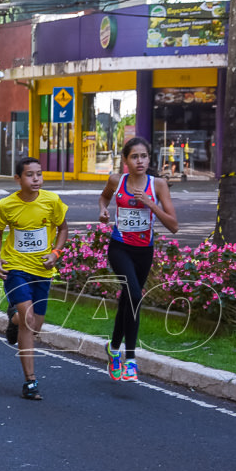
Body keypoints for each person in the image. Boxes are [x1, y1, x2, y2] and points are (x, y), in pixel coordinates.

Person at [97, 137, 179, 382]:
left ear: (149, 159)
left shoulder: (158, 185)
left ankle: (113, 349)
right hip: (119, 247)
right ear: (125, 160)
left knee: (128, 300)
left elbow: (173, 225)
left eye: (143, 156)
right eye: (134, 156)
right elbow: (104, 198)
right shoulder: (117, 180)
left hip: (144, 250)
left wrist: (149, 203)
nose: (140, 161)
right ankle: (130, 359)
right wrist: (103, 210)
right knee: (134, 295)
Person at [0, 157, 69, 401]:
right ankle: (30, 382)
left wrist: (56, 253)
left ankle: (13, 319)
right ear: (18, 178)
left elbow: (63, 228)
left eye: (39, 174)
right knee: (28, 318)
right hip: (15, 268)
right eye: (30, 175)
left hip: (42, 270)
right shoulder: (6, 205)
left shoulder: (52, 201)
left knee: (34, 325)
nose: (36, 179)